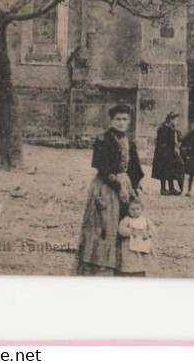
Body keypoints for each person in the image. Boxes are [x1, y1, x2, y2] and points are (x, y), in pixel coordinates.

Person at [76, 103, 138, 275]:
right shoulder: (103, 139)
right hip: (106, 186)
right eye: (118, 119)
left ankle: (121, 264)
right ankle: (100, 264)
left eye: (125, 119)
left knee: (125, 221)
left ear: (129, 121)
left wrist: (134, 187)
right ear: (111, 120)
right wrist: (118, 187)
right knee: (104, 225)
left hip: (125, 184)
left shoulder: (129, 142)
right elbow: (102, 168)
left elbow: (134, 167)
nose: (121, 122)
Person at [116, 196, 154, 277]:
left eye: (137, 209)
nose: (135, 211)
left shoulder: (144, 219)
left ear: (141, 209)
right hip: (130, 246)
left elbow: (152, 227)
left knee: (142, 259)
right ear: (128, 210)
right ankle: (129, 272)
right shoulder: (127, 220)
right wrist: (130, 232)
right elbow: (121, 229)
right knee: (131, 259)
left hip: (142, 244)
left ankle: (140, 271)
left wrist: (148, 233)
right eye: (132, 209)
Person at [151, 112, 184, 196]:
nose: (177, 122)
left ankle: (171, 188)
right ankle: (163, 188)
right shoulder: (163, 129)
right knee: (164, 171)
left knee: (171, 171)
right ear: (170, 120)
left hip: (170, 154)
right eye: (175, 120)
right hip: (163, 154)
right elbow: (162, 143)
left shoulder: (172, 129)